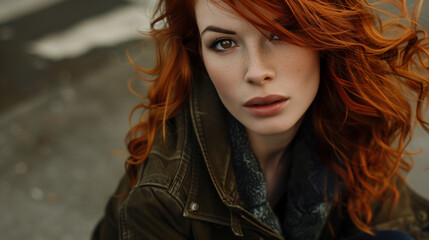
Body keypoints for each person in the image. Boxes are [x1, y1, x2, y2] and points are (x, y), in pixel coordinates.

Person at [92, 0, 429, 239]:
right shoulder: (162, 198)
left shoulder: (344, 120)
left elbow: (403, 221)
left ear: (326, 37)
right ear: (199, 55)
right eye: (223, 43)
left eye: (280, 34)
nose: (256, 72)